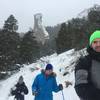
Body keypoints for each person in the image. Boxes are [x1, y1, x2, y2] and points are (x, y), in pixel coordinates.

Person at [74, 30, 100, 100]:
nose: (98, 44)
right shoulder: (84, 62)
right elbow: (80, 87)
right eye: (95, 42)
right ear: (91, 45)